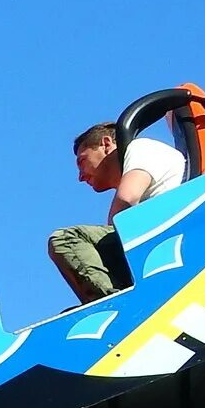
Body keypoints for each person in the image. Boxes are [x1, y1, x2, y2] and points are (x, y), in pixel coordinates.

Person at [47, 122, 190, 302]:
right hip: (162, 243)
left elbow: (127, 199)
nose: (80, 177)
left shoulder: (140, 147)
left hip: (164, 236)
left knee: (66, 239)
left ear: (106, 144)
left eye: (82, 161)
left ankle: (116, 303)